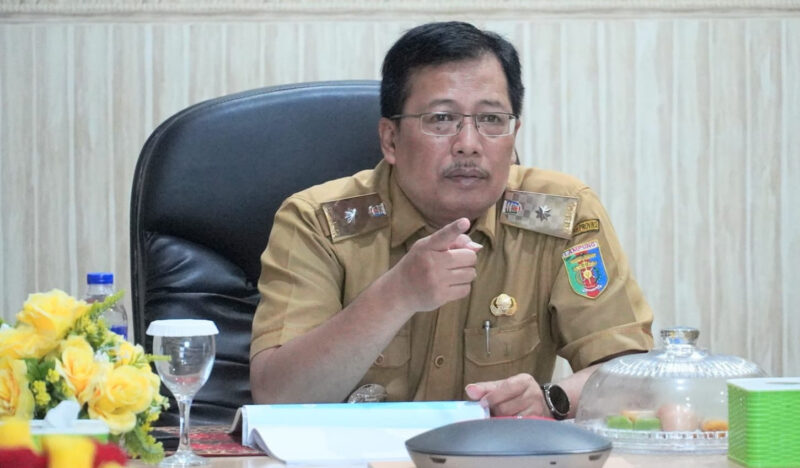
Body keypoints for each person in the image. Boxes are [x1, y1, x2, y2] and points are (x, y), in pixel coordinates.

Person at [250, 21, 653, 419]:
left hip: (497, 451)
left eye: (491, 120)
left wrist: (552, 399)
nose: (468, 145)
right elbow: (277, 396)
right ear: (391, 140)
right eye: (441, 119)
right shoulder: (317, 222)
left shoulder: (563, 215)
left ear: (514, 134)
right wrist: (396, 295)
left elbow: (635, 377)